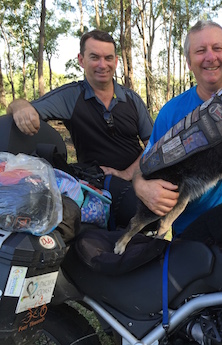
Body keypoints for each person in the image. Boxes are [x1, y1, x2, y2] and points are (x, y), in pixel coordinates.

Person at [6, 29, 162, 230]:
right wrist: (19, 106)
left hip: (138, 175)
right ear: (81, 60)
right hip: (95, 182)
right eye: (94, 57)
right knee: (139, 209)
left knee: (158, 207)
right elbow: (23, 107)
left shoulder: (131, 99)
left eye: (108, 58)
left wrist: (126, 173)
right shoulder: (71, 97)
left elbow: (153, 143)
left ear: (115, 62)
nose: (102, 65)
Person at [133, 20, 222, 234]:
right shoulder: (172, 112)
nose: (210, 57)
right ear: (189, 62)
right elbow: (146, 164)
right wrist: (141, 186)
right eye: (200, 51)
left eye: (217, 48)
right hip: (190, 232)